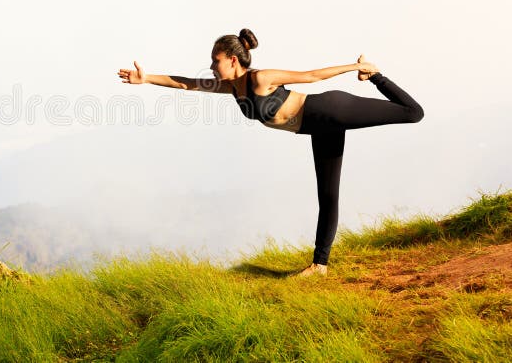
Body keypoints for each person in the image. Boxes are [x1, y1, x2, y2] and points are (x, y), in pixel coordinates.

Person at [117, 28, 424, 277]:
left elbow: (312, 76)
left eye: (216, 61)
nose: (212, 66)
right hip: (317, 128)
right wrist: (146, 79)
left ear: (234, 61)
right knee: (328, 197)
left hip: (328, 110)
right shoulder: (232, 87)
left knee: (412, 113)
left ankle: (376, 75)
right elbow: (187, 85)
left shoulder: (260, 78)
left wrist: (358, 67)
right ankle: (320, 266)